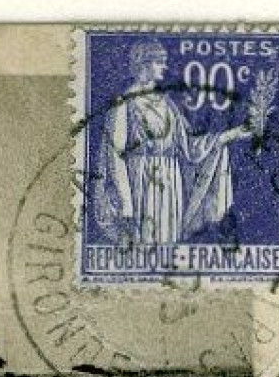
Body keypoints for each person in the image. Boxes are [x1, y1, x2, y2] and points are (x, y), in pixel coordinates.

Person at [96, 38, 269, 246]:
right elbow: (115, 155)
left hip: (171, 182)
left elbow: (189, 147)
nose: (164, 66)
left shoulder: (166, 103)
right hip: (141, 182)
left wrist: (231, 135)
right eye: (159, 62)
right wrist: (126, 205)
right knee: (145, 245)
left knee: (168, 245)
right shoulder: (124, 103)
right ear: (144, 64)